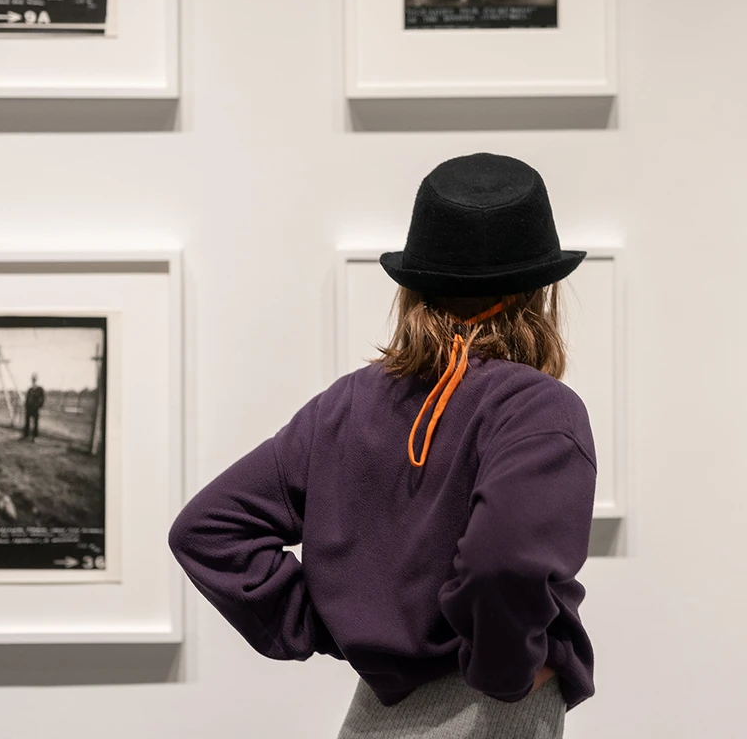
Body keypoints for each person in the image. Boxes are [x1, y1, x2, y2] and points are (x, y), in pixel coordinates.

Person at [170, 153, 597, 738]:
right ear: (540, 293)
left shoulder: (348, 402)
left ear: (414, 287)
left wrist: (334, 621)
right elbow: (500, 563)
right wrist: (507, 675)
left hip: (373, 715)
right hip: (487, 716)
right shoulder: (538, 407)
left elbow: (207, 529)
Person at [23, 373, 45, 441]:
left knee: (35, 422)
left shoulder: (39, 389)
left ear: (36, 380)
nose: (33, 380)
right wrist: (26, 405)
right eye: (32, 379)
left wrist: (38, 405)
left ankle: (35, 437)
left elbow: (42, 398)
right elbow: (27, 398)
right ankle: (26, 435)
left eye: (34, 379)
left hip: (35, 408)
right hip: (29, 408)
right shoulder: (30, 389)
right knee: (27, 421)